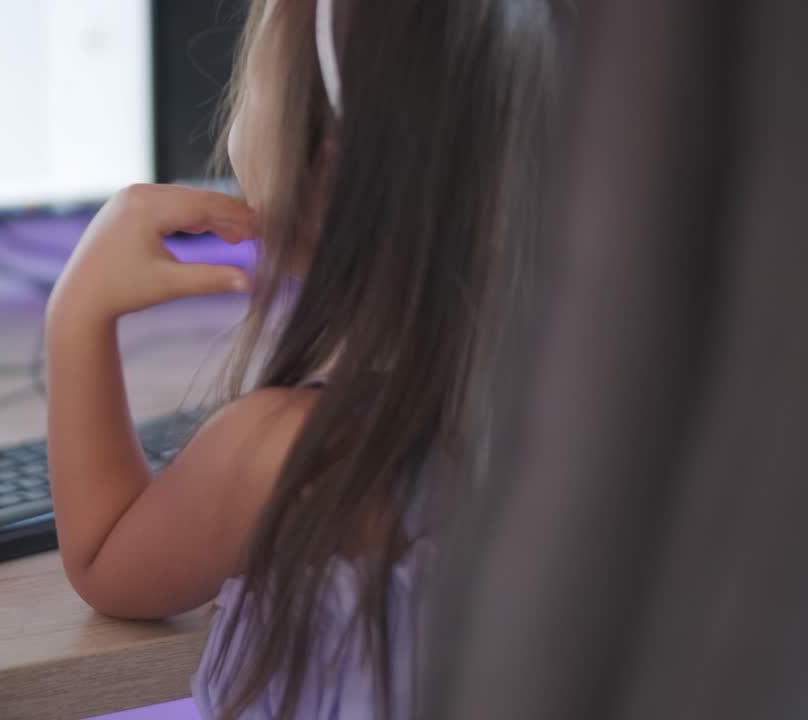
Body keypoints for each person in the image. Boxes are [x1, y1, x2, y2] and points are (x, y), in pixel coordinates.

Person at [44, 0, 555, 717]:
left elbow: (105, 563)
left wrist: (75, 312)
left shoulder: (286, 453)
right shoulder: (576, 403)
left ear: (328, 178)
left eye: (250, 83)